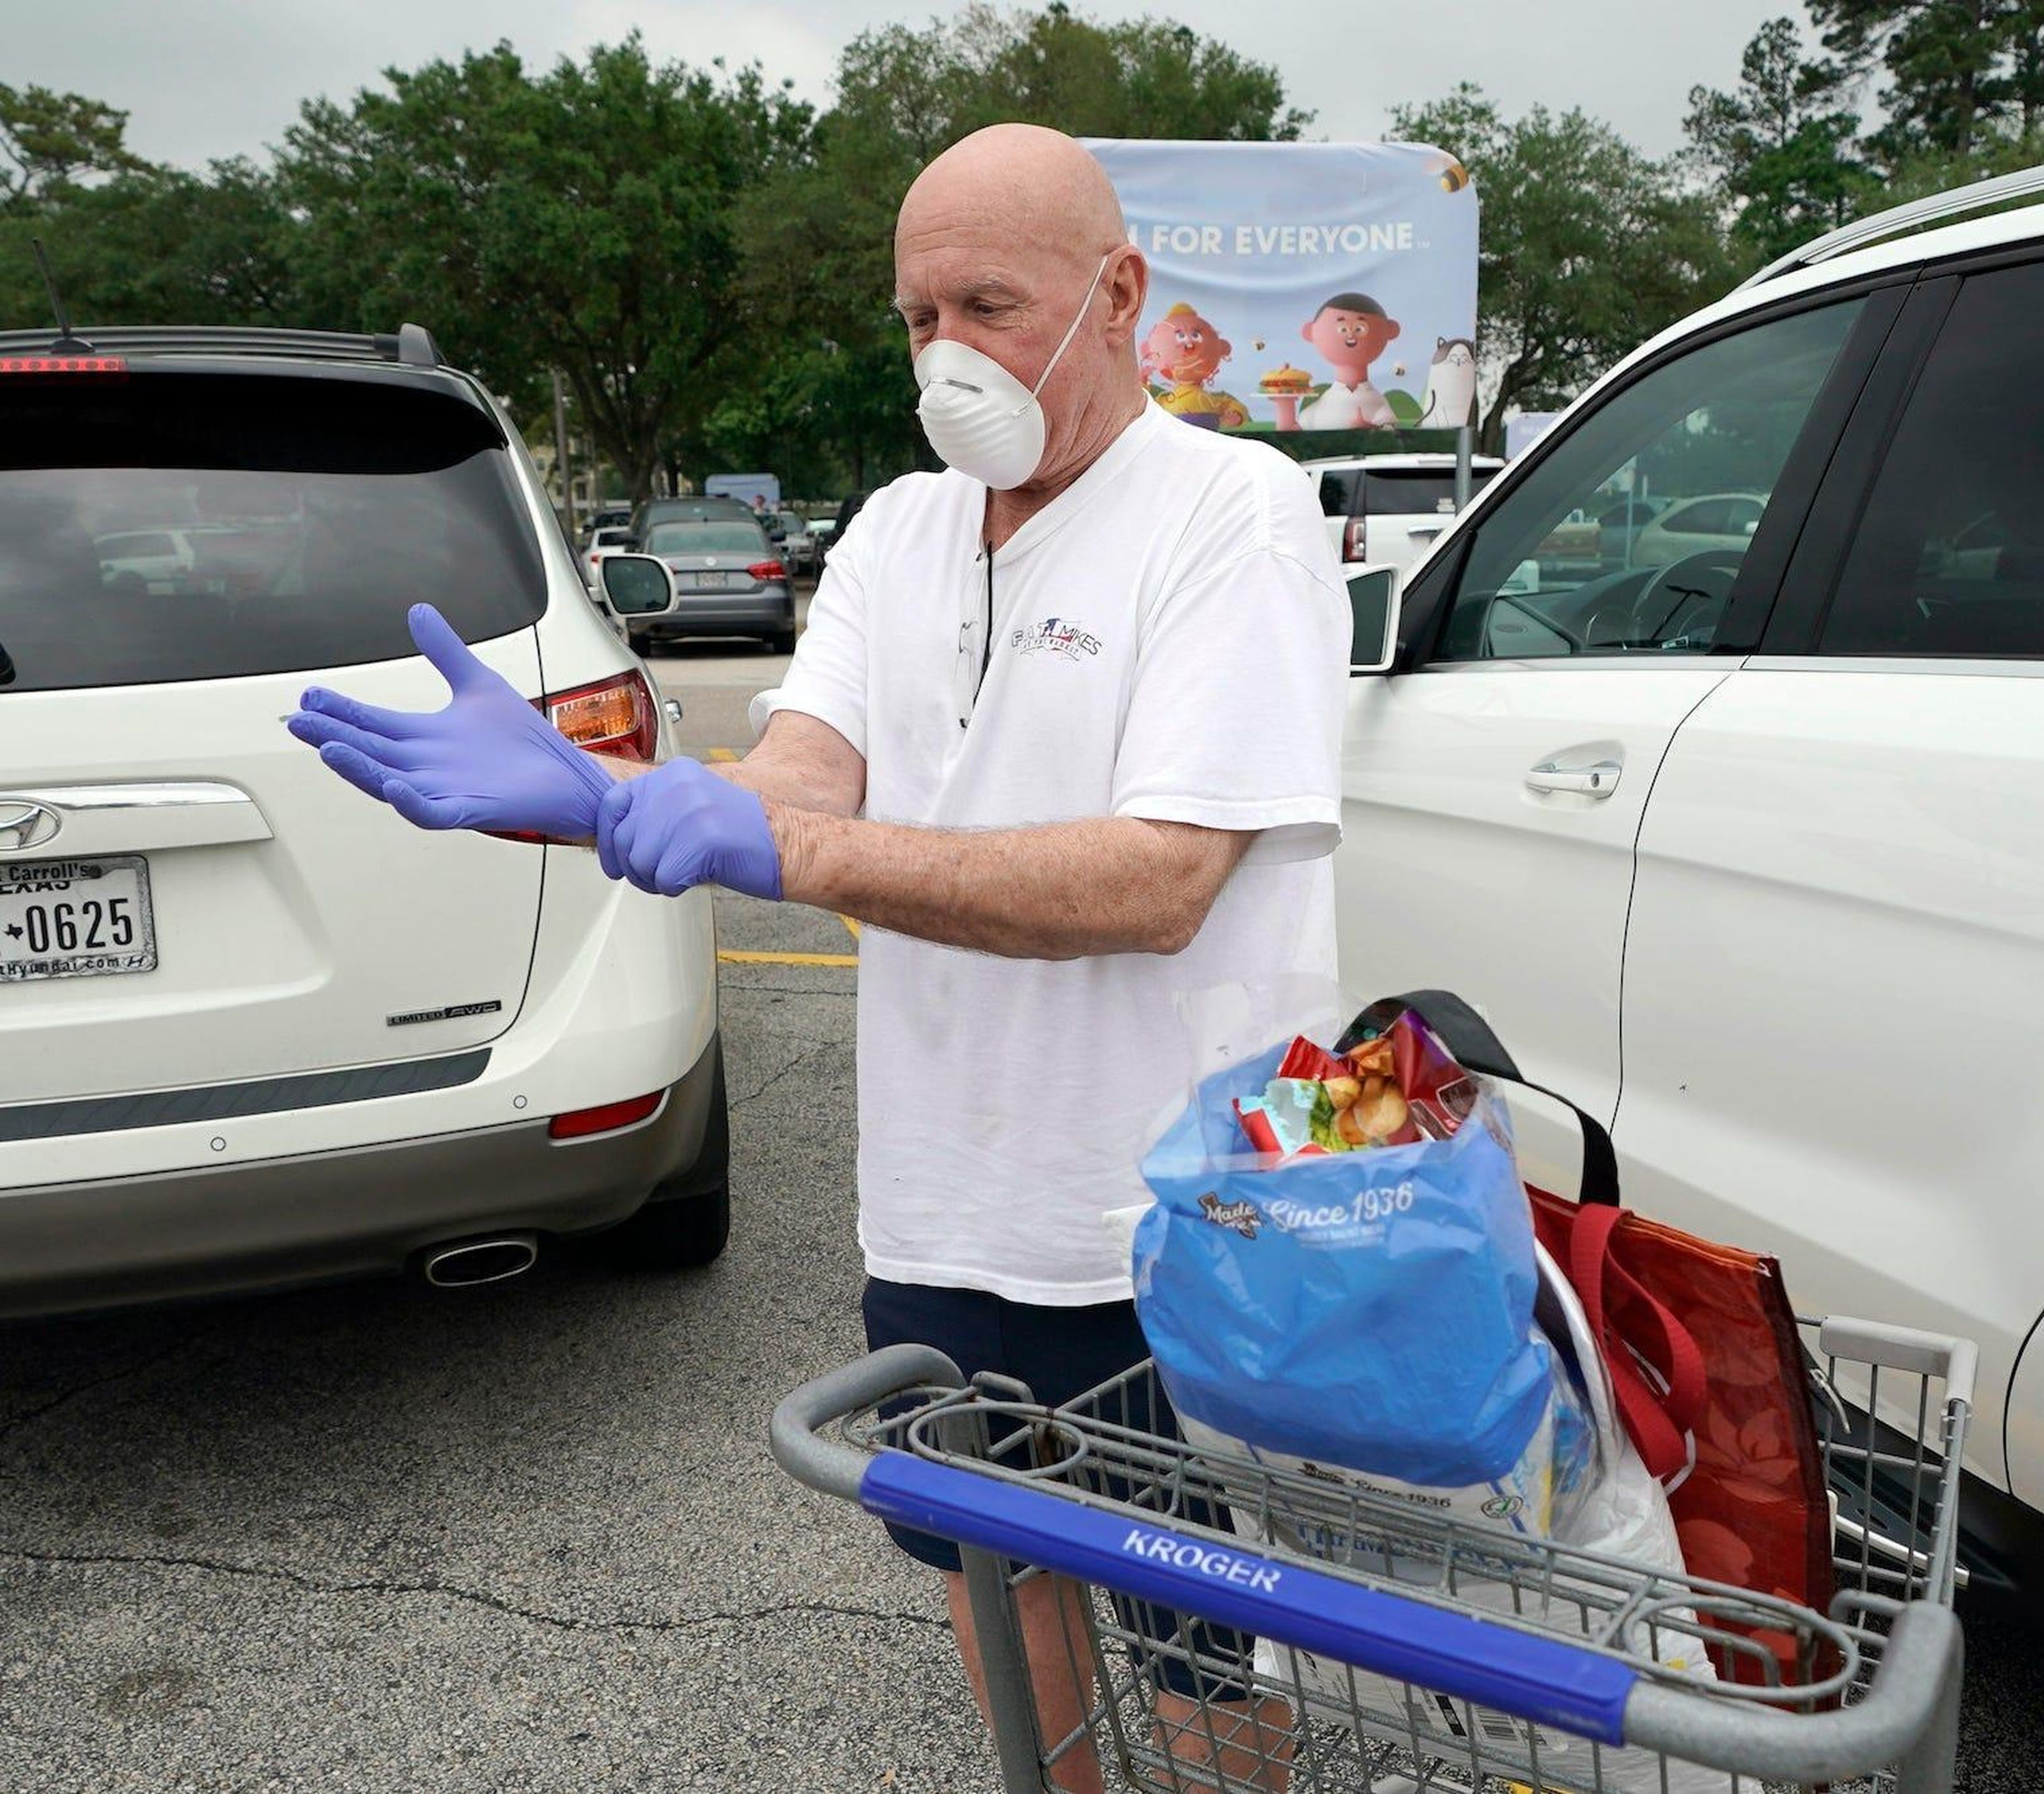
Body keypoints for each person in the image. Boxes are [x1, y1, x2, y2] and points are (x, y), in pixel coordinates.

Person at [285, 122, 1347, 1792]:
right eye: (918, 316)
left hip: (1172, 1226)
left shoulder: (1234, 513)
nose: (947, 355)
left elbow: (1162, 877)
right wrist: (606, 794)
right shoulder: (900, 535)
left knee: (1211, 1641)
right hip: (944, 1206)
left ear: (1118, 292)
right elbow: (801, 783)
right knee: (1001, 1588)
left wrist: (779, 846)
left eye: (990, 304)